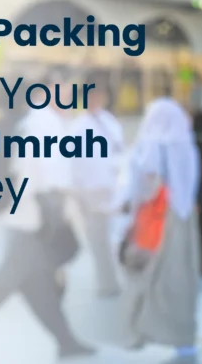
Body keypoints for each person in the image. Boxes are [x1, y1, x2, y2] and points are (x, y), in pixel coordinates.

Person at [0, 71, 95, 362]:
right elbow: (47, 177)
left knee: (33, 286)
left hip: (22, 217)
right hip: (31, 220)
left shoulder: (28, 121)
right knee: (8, 284)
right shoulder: (40, 122)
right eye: (61, 88)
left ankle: (66, 341)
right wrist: (60, 215)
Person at [121, 97, 201, 364]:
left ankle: (139, 331)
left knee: (147, 277)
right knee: (180, 280)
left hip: (157, 220)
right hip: (183, 219)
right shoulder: (185, 143)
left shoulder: (152, 142)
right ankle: (183, 338)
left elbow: (146, 179)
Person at [69, 82, 125, 297]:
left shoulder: (108, 121)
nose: (97, 100)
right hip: (88, 190)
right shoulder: (78, 126)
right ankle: (106, 282)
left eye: (100, 95)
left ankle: (110, 280)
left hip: (109, 187)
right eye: (93, 96)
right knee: (97, 238)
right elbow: (73, 161)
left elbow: (118, 150)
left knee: (108, 236)